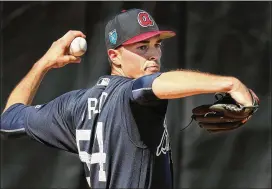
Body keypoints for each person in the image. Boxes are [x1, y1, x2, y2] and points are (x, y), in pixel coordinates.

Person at [1, 8, 257, 189]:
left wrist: (44, 64)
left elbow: (9, 119)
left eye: (157, 44)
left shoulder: (74, 105)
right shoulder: (131, 93)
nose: (154, 54)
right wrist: (229, 83)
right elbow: (150, 87)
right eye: (142, 47)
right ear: (114, 56)